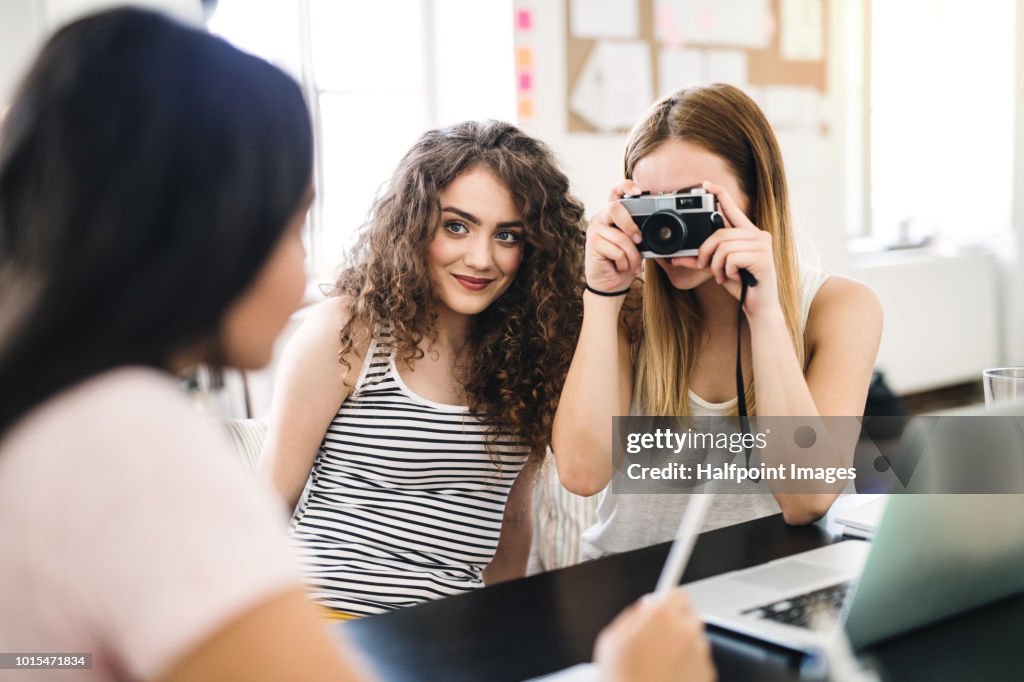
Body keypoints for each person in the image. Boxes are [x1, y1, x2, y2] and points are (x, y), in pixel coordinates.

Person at [0, 8, 715, 682]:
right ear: (201, 233)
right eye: (291, 224)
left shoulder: (74, 423)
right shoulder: (129, 441)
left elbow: (806, 476)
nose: (304, 272)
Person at [260, 120, 589, 618]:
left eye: (507, 236)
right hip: (328, 616)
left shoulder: (533, 356)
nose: (480, 259)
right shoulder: (350, 331)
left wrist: (502, 633)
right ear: (415, 224)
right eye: (456, 226)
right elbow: (266, 505)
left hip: (456, 633)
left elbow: (512, 519)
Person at [552, 84, 883, 560]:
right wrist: (603, 297)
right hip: (632, 586)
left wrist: (764, 312)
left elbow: (807, 498)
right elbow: (582, 475)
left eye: (692, 204)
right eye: (652, 205)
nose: (672, 230)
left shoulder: (841, 307)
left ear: (755, 196)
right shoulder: (627, 305)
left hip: (772, 578)